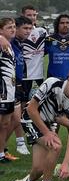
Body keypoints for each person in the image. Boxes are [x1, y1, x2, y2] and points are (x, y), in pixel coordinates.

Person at [10, 66, 69, 181]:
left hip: (47, 123)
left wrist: (66, 163)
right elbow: (31, 108)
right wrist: (47, 133)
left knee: (39, 168)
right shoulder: (52, 83)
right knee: (56, 145)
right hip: (30, 118)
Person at [11, 16, 31, 156]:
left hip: (19, 82)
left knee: (13, 119)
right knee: (11, 119)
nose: (28, 31)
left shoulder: (19, 43)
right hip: (8, 85)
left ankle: (4, 149)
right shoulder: (8, 42)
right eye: (25, 28)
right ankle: (19, 143)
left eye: (30, 28)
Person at [20, 6, 48, 100]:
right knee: (23, 101)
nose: (32, 17)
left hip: (39, 75)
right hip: (24, 76)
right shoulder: (18, 33)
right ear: (22, 15)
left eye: (34, 15)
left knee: (42, 101)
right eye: (29, 15)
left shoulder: (42, 31)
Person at [45, 14, 69, 80]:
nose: (65, 25)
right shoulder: (49, 40)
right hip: (53, 78)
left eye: (67, 23)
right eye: (62, 23)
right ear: (57, 25)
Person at [0, 18, 17, 164]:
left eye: (14, 26)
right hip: (2, 90)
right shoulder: (1, 43)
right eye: (9, 27)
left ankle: (1, 153)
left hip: (10, 90)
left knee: (5, 123)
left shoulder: (9, 45)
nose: (13, 29)